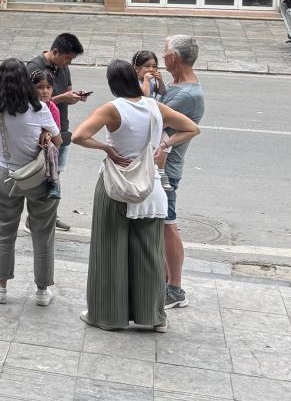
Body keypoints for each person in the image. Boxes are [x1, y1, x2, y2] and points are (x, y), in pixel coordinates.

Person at [71, 59, 200, 332]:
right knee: (150, 253)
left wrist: (106, 149)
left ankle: (108, 315)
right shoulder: (155, 107)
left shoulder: (112, 109)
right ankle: (155, 317)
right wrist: (165, 143)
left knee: (110, 251)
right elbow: (192, 128)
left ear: (112, 83)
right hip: (150, 187)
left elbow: (79, 136)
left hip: (116, 185)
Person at [0, 59, 62, 307]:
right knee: (43, 233)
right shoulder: (39, 108)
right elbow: (58, 141)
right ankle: (42, 291)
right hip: (38, 177)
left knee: (4, 232)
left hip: (4, 174)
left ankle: (0, 287)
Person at [157, 35, 205, 310]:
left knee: (168, 225)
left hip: (167, 170)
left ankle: (175, 289)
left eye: (165, 53)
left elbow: (152, 116)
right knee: (162, 224)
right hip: (160, 165)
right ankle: (165, 281)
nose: (162, 57)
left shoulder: (187, 95)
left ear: (174, 57)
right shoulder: (176, 86)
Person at [0, 70, 60, 201]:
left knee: (52, 150)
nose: (45, 91)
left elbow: (56, 134)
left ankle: (52, 182)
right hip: (28, 161)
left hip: (37, 149)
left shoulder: (49, 108)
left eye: (48, 87)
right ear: (29, 87)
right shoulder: (26, 105)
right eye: (40, 87)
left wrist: (46, 132)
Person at [26, 33, 87, 230]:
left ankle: (51, 215)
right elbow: (29, 103)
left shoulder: (63, 67)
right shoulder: (34, 68)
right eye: (67, 58)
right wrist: (62, 98)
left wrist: (74, 97)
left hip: (61, 128)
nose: (68, 63)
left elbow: (67, 90)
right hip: (41, 132)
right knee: (41, 177)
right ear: (55, 52)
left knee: (55, 176)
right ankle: (33, 219)